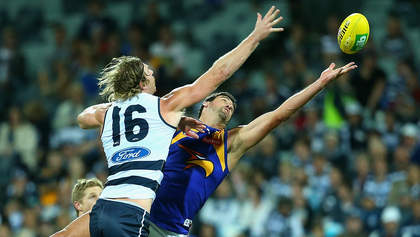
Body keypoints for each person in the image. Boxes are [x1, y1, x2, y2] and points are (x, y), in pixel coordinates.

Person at [51, 6, 284, 237]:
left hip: (103, 206)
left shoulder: (108, 111)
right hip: (132, 213)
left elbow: (83, 118)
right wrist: (255, 38)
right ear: (141, 84)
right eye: (149, 73)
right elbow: (218, 73)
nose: (154, 73)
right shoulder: (164, 105)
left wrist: (109, 110)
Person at [149, 62, 357, 236]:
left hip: (172, 230)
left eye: (233, 106)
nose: (230, 105)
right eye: (224, 100)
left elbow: (279, 115)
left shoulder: (231, 141)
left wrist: (320, 83)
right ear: (206, 103)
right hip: (142, 214)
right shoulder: (175, 126)